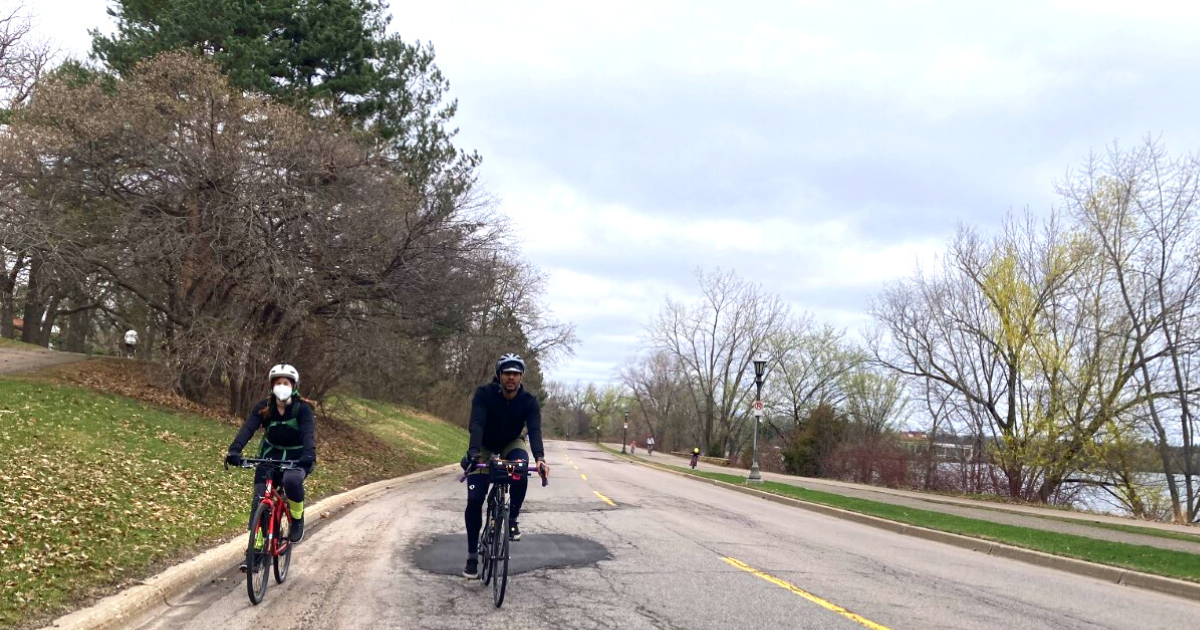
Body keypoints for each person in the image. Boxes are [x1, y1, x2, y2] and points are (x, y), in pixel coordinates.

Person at [460, 353, 550, 579]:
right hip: (485, 445)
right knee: (474, 500)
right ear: (499, 375)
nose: (511, 378)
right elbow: (477, 423)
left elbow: (535, 430)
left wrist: (540, 458)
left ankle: (512, 520)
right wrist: (473, 453)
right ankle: (472, 556)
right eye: (507, 373)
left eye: (516, 374)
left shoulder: (528, 401)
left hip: (511, 442)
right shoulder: (485, 394)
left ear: (521, 377)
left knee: (522, 465)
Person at [225, 364, 316, 570]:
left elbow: (308, 434)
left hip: (297, 457)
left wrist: (308, 455)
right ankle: (256, 550)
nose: (281, 386)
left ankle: (297, 517)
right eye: (277, 382)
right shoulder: (264, 407)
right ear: (271, 385)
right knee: (259, 500)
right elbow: (248, 428)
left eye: (285, 382)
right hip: (270, 456)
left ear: (293, 386)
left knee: (291, 481)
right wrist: (234, 450)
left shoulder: (302, 409)